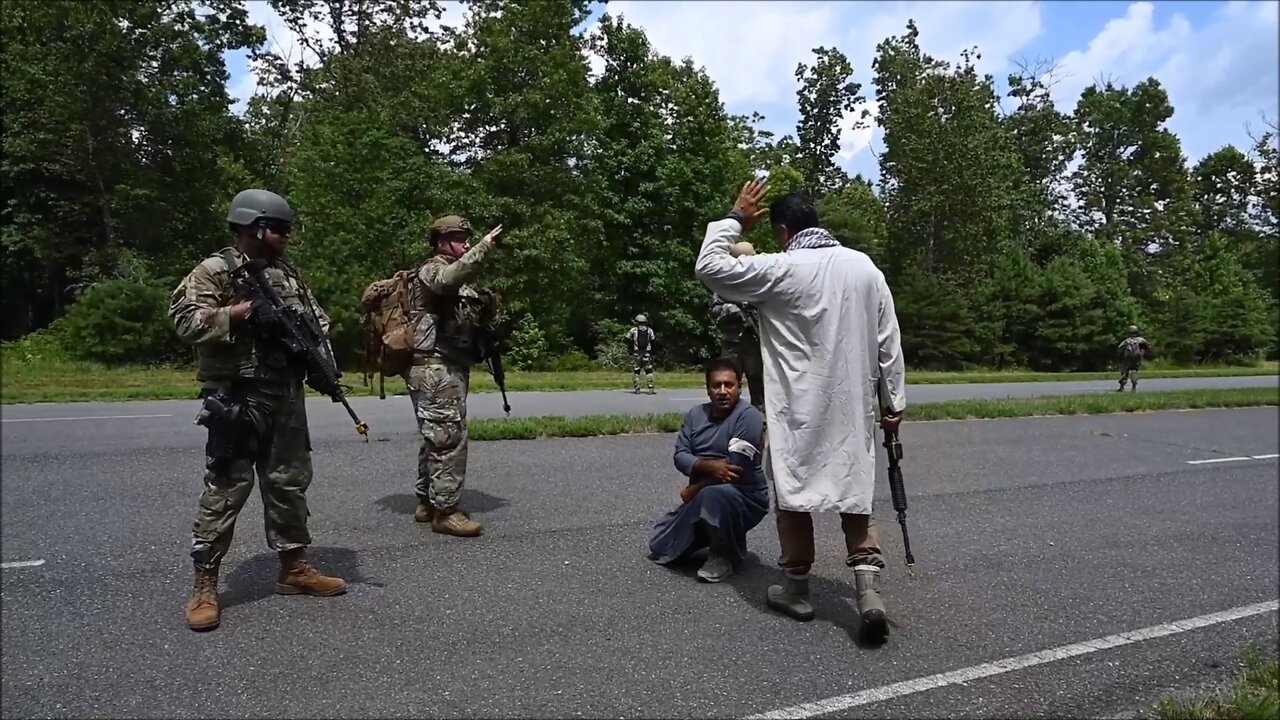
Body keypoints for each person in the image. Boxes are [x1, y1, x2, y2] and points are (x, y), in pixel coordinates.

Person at [693, 179, 907, 643]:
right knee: (854, 489)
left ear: (784, 231)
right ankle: (867, 588)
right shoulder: (864, 268)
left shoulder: (781, 268)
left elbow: (709, 268)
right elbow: (888, 341)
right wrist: (893, 404)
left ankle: (795, 588)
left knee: (793, 495)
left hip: (796, 409)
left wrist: (734, 217)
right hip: (850, 407)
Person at [169, 188, 347, 632]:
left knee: (289, 481)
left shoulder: (286, 275)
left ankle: (293, 567)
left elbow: (316, 323)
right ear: (256, 227)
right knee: (227, 485)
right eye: (281, 230)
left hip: (285, 392)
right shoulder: (215, 271)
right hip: (238, 395)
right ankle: (205, 582)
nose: (287, 237)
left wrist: (323, 366)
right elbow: (185, 321)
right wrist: (242, 312)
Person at [403, 214, 505, 537]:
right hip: (434, 367)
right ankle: (446, 512)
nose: (465, 243)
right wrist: (484, 248)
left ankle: (427, 501)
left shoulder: (461, 280)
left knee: (436, 436)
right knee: (449, 437)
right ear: (441, 241)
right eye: (460, 238)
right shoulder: (431, 269)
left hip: (449, 366)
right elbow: (447, 280)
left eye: (468, 238)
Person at [647, 357, 769, 582]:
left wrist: (693, 489)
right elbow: (680, 456)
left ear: (739, 388)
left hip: (746, 495)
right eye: (716, 385)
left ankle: (725, 555)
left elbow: (733, 471)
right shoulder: (695, 415)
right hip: (704, 493)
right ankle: (713, 531)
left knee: (715, 495)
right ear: (708, 389)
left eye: (729, 385)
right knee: (660, 546)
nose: (723, 391)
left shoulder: (749, 417)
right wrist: (708, 465)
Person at [709, 293, 765, 410]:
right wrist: (727, 308)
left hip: (752, 340)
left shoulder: (755, 286)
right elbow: (713, 310)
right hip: (731, 341)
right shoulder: (726, 286)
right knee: (727, 376)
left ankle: (759, 412)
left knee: (756, 377)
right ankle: (728, 412)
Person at [627, 314, 657, 394]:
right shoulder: (649, 330)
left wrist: (630, 351)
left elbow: (627, 339)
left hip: (636, 354)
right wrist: (653, 353)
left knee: (636, 371)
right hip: (647, 354)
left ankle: (637, 388)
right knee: (649, 371)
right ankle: (651, 388)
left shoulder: (633, 330)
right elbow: (653, 342)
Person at [1117, 325, 1151, 392]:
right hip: (1137, 357)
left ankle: (1122, 386)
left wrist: (1120, 357)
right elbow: (1148, 346)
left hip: (1127, 357)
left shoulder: (1127, 341)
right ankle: (1134, 387)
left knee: (1125, 371)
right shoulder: (1141, 339)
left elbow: (1119, 348)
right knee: (1134, 370)